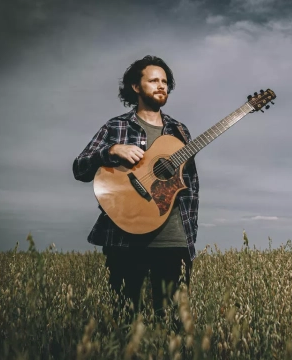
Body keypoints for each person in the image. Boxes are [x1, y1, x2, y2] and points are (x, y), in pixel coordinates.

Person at [72, 55, 199, 330]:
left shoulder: (180, 131)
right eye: (153, 80)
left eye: (165, 82)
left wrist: (190, 235)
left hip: (172, 239)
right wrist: (111, 151)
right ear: (135, 87)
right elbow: (79, 168)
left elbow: (190, 187)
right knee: (124, 322)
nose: (161, 86)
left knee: (173, 326)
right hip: (124, 240)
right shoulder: (115, 127)